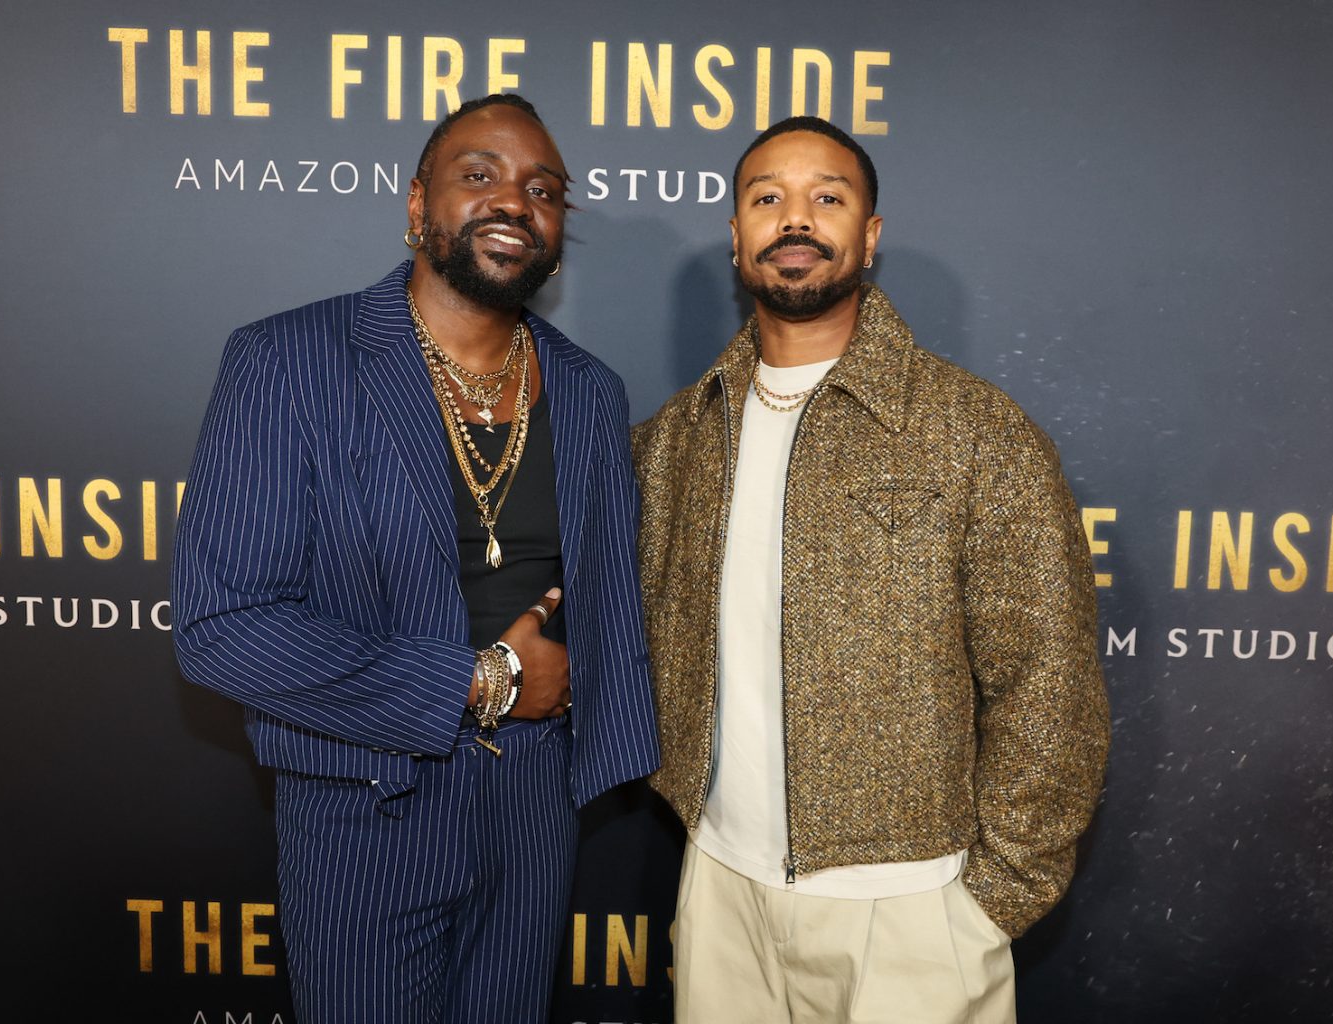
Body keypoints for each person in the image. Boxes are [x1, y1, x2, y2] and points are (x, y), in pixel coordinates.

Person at [172, 94, 658, 1024]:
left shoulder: (592, 392)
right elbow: (221, 629)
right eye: (480, 176)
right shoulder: (289, 360)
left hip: (531, 808)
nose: (515, 202)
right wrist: (479, 682)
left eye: (543, 190)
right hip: (366, 807)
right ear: (415, 206)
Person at [633, 116, 1109, 1023]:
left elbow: (1048, 680)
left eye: (828, 197)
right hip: (723, 890)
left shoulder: (975, 431)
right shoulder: (681, 437)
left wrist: (985, 906)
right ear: (737, 238)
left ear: (871, 235)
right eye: (767, 199)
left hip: (916, 915)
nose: (795, 219)